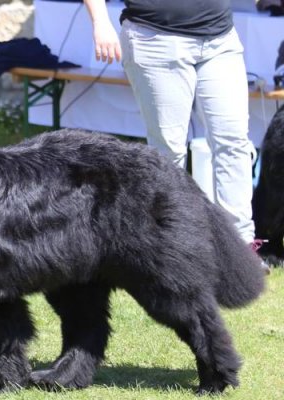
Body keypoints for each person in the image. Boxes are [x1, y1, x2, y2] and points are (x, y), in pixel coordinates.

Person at [84, 0, 270, 274]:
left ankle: (240, 248)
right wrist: (100, 22)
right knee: (168, 153)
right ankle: (171, 248)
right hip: (155, 38)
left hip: (220, 38)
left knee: (234, 143)